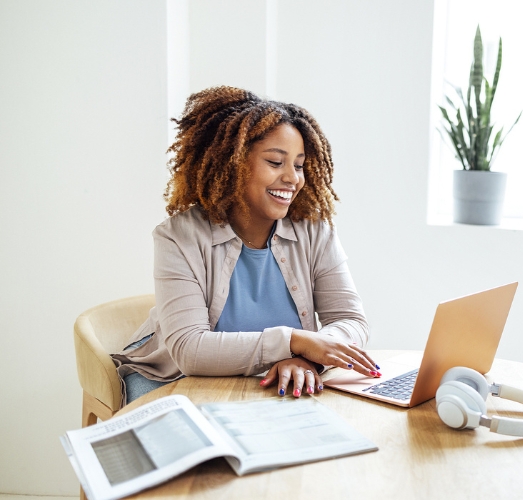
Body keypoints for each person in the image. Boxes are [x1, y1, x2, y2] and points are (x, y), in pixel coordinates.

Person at [113, 86, 379, 405]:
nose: (293, 178)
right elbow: (189, 350)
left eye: (298, 165)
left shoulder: (315, 231)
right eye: (275, 162)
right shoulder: (178, 236)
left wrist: (310, 357)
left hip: (272, 375)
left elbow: (351, 320)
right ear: (234, 162)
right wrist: (296, 342)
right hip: (173, 376)